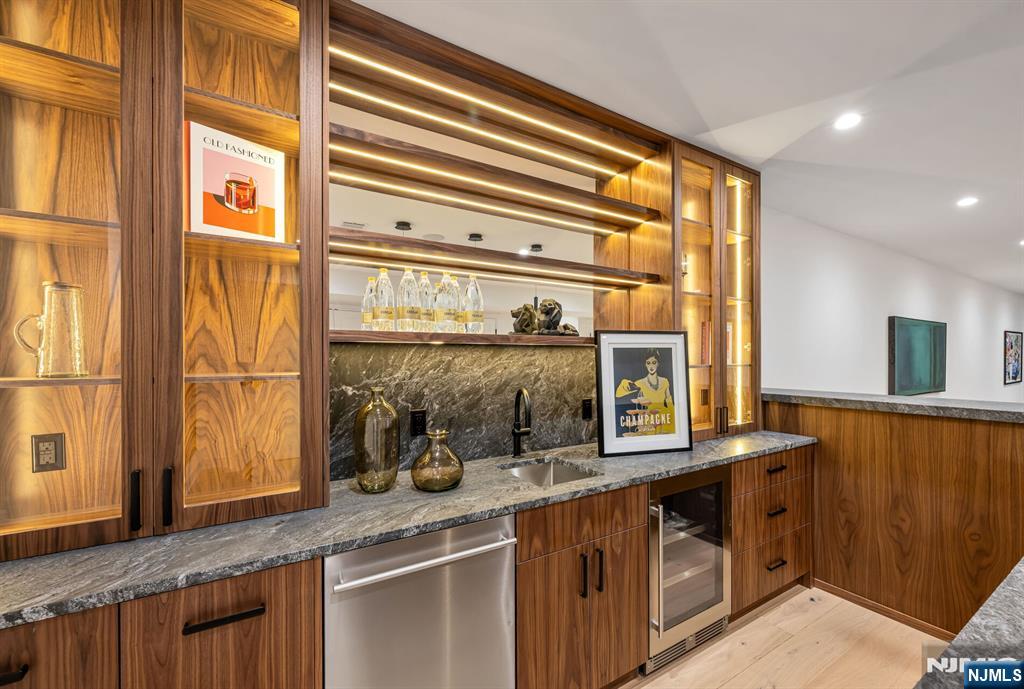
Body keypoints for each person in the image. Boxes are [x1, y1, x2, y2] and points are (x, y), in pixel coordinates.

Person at [615, 350, 675, 435]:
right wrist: (624, 383)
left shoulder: (665, 381)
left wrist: (673, 419)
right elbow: (618, 394)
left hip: (665, 418)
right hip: (649, 420)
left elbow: (670, 403)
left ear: (658, 364)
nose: (651, 366)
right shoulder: (641, 383)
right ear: (645, 364)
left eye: (654, 362)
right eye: (648, 363)